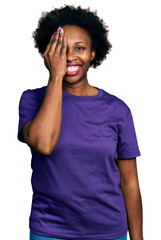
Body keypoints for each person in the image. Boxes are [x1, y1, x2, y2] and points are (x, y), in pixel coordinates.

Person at [17, 5, 143, 240]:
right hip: (50, 231)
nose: (71, 56)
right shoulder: (32, 100)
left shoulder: (117, 110)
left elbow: (129, 183)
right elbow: (43, 143)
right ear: (48, 52)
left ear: (93, 54)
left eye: (80, 48)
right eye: (62, 49)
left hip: (108, 232)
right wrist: (55, 75)